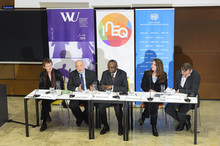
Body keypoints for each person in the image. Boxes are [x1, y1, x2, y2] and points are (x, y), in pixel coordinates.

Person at [165, 63, 200, 131]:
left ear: (191, 71)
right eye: (182, 74)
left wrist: (179, 90)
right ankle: (185, 120)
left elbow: (193, 90)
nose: (184, 76)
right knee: (168, 109)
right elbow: (176, 86)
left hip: (189, 98)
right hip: (178, 97)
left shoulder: (196, 75)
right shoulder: (178, 73)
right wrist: (173, 90)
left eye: (186, 74)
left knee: (180, 112)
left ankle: (181, 125)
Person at [98, 60, 128, 136]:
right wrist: (102, 88)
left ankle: (120, 126)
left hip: (118, 98)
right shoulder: (105, 73)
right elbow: (101, 85)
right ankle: (105, 126)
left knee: (117, 108)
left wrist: (112, 87)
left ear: (116, 67)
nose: (110, 69)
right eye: (109, 67)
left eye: (112, 67)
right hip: (108, 97)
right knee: (101, 106)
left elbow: (125, 88)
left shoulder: (122, 73)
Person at [138, 58, 167, 136]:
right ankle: (154, 127)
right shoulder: (147, 73)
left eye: (154, 64)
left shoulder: (163, 75)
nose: (152, 65)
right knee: (152, 104)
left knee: (153, 104)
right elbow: (143, 86)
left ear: (158, 66)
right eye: (152, 64)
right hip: (148, 96)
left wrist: (156, 91)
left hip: (158, 97)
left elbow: (164, 87)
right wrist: (149, 90)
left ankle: (144, 116)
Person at [67, 60, 97, 126]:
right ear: (75, 67)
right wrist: (77, 88)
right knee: (72, 105)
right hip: (78, 95)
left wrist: (93, 87)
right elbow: (69, 86)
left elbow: (96, 83)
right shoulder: (73, 74)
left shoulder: (91, 73)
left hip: (88, 94)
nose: (79, 68)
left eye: (81, 65)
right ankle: (80, 118)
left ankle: (83, 118)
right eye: (77, 66)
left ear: (84, 66)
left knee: (90, 106)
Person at [39, 58, 64, 131]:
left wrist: (55, 91)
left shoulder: (57, 73)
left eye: (50, 65)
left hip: (57, 94)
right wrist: (48, 92)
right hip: (47, 95)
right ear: (44, 67)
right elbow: (41, 87)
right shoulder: (42, 74)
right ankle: (45, 119)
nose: (50, 67)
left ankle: (45, 120)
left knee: (44, 102)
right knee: (45, 101)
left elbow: (60, 86)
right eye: (47, 66)